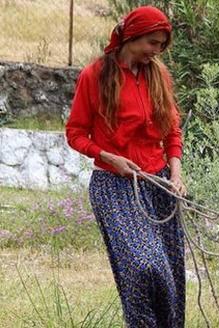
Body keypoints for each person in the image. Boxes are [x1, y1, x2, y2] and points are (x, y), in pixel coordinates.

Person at [65, 6, 186, 327]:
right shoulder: (95, 75)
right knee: (145, 266)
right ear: (131, 37)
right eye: (151, 42)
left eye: (161, 45)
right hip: (114, 186)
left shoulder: (159, 75)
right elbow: (75, 133)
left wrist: (176, 173)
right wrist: (108, 156)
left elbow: (172, 130)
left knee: (170, 272)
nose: (156, 51)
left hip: (159, 184)